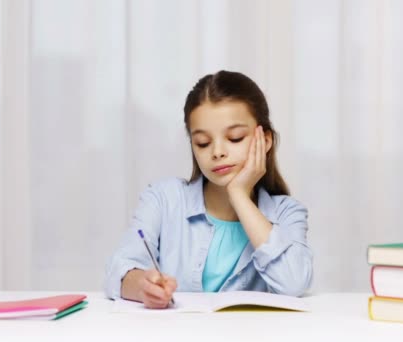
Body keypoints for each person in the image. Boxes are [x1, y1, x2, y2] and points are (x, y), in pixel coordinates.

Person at [104, 70, 313, 309]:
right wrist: (143, 287)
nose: (217, 152)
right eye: (203, 142)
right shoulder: (163, 198)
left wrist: (239, 196)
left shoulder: (287, 212)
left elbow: (294, 282)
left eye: (234, 138)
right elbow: (118, 270)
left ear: (264, 140)